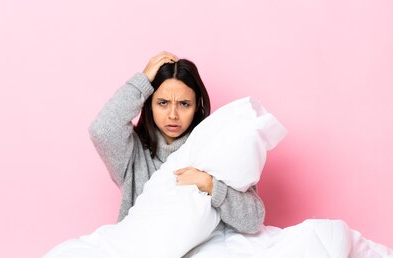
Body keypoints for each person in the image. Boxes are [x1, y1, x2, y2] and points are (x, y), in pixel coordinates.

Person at [89, 52, 265, 233]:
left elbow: (254, 220)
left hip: (206, 254)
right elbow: (102, 129)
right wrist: (141, 82)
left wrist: (211, 186)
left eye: (184, 104)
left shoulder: (217, 145)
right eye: (163, 103)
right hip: (145, 250)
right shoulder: (133, 153)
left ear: (197, 106)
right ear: (149, 104)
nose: (173, 115)